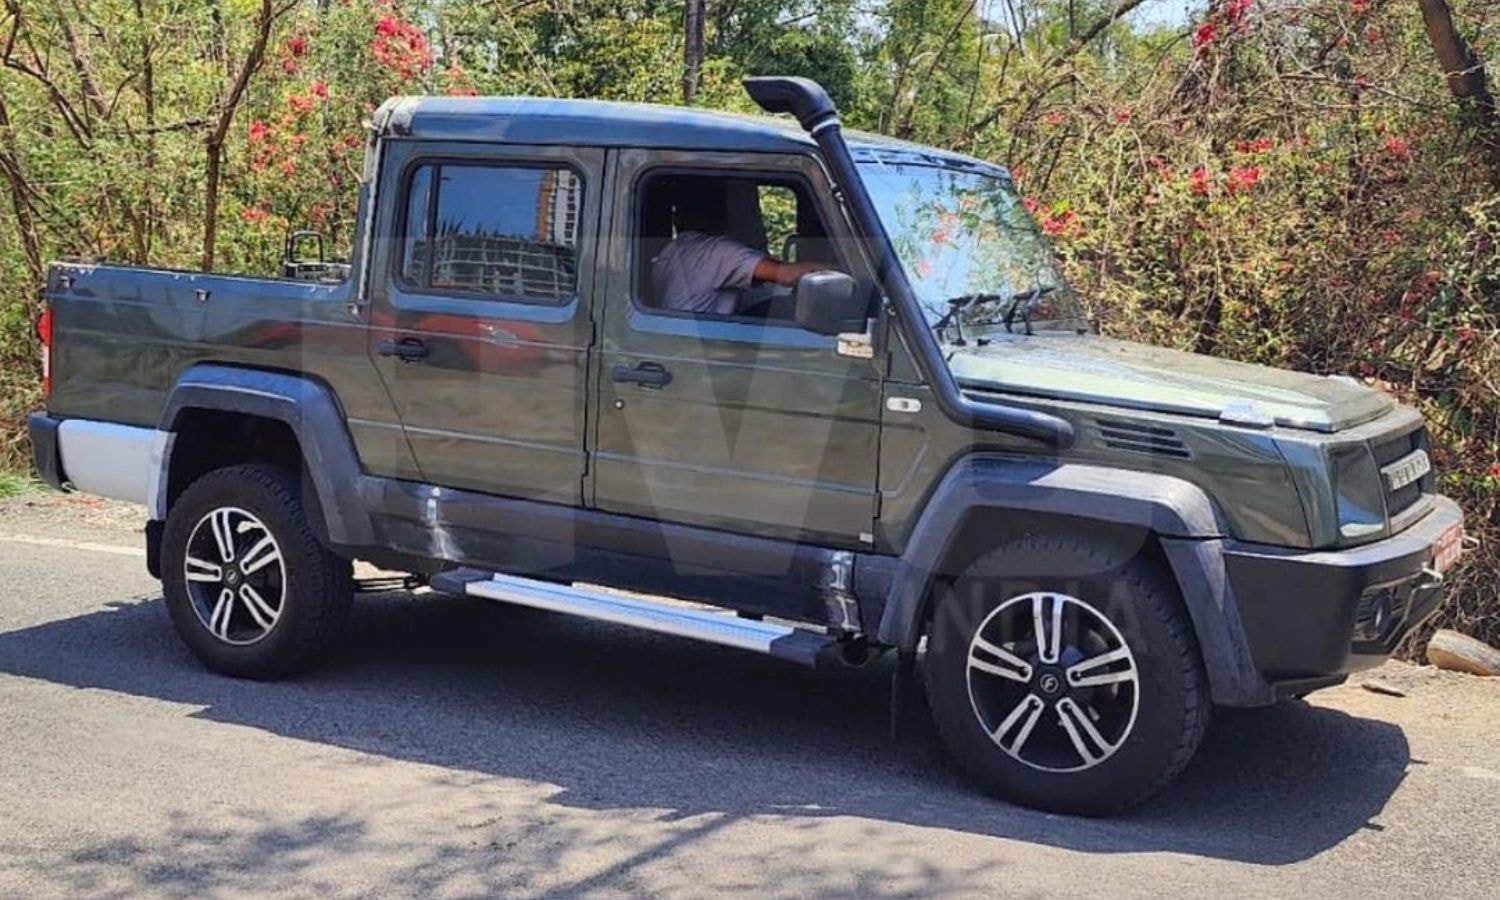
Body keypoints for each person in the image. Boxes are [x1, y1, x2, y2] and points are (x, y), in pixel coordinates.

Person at [652, 185, 825, 316]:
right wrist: (842, 269)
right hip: (703, 349)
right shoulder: (718, 251)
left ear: (676, 218)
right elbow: (787, 275)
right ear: (724, 215)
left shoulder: (671, 250)